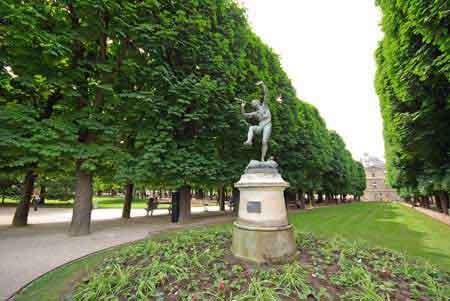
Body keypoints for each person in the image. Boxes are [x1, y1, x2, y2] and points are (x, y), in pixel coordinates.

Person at [236, 81, 272, 162]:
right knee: (251, 128)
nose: (252, 103)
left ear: (258, 102)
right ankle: (249, 141)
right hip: (260, 126)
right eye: (252, 103)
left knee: (264, 141)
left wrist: (262, 84)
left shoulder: (264, 105)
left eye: (254, 101)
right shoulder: (255, 113)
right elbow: (244, 115)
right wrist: (242, 107)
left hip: (267, 124)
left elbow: (266, 94)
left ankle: (262, 158)